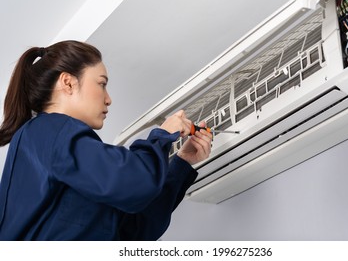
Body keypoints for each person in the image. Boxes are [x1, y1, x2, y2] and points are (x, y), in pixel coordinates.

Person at [0, 40, 212, 240]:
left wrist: (181, 164)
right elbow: (135, 183)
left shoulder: (48, 143)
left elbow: (132, 229)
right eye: (102, 84)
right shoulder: (51, 130)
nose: (108, 99)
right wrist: (162, 136)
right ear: (68, 83)